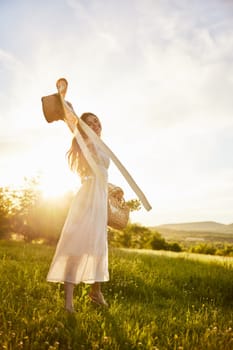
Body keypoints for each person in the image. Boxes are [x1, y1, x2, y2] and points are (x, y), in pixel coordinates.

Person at [46, 112, 110, 312]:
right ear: (83, 128)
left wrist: (111, 191)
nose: (95, 124)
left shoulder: (102, 145)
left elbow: (103, 174)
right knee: (76, 246)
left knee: (98, 247)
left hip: (100, 199)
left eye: (97, 121)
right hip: (86, 200)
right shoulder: (86, 144)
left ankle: (96, 292)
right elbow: (88, 164)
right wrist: (70, 116)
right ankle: (68, 303)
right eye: (89, 123)